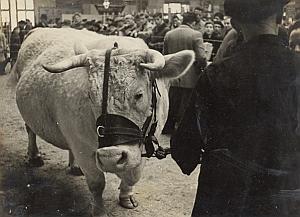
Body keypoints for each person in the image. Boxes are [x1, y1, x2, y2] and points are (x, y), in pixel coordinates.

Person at [171, 0, 300, 216]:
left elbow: (185, 147)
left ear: (235, 24)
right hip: (289, 196)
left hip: (228, 197)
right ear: (280, 19)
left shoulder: (216, 74)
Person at [163, 12, 207, 134]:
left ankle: (168, 128)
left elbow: (165, 55)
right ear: (193, 22)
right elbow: (201, 57)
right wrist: (201, 69)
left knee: (173, 103)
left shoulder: (169, 34)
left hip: (172, 76)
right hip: (190, 76)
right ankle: (182, 131)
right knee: (186, 106)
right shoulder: (196, 35)